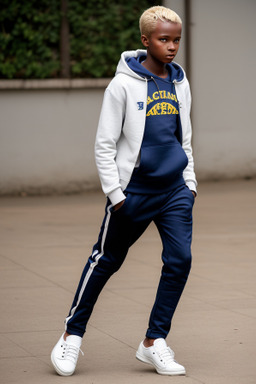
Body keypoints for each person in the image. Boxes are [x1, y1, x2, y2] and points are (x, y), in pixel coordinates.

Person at [51, 5, 197, 377]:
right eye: (164, 39)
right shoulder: (122, 85)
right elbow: (104, 144)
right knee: (106, 261)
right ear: (145, 40)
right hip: (134, 193)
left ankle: (154, 342)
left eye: (176, 39)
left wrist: (190, 183)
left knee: (180, 260)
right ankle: (71, 335)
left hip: (174, 191)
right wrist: (116, 195)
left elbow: (185, 138)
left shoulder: (180, 82)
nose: (172, 47)